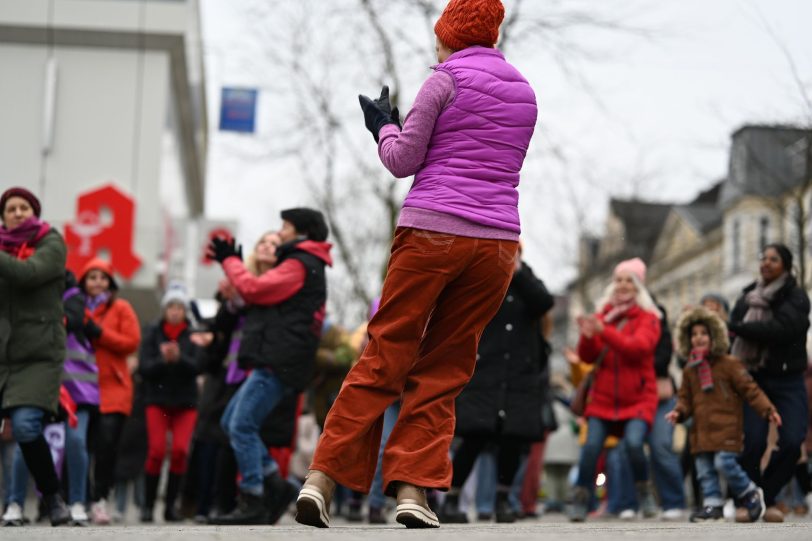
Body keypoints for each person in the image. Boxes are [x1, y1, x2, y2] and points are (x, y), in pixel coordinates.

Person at [296, 0, 537, 529]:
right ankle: (410, 492)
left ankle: (321, 480)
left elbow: (404, 161)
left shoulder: (443, 81)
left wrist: (384, 126)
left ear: (449, 35)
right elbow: (482, 160)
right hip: (496, 245)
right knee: (445, 369)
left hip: (431, 233)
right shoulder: (524, 93)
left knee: (385, 356)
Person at [208, 209, 332, 525]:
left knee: (241, 425)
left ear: (302, 233)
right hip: (276, 359)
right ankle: (277, 485)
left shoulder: (299, 265)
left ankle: (253, 497)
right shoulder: (301, 263)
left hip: (280, 361)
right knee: (229, 421)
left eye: (286, 227)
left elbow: (254, 289)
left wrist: (230, 262)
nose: (281, 232)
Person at [438, 252, 554, 524]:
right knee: (475, 436)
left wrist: (519, 273)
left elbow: (544, 303)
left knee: (512, 438)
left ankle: (503, 500)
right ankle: (452, 500)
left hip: (518, 377)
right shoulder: (484, 278)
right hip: (485, 373)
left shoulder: (528, 281)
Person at [666, 307, 781, 522]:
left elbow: (750, 389)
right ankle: (713, 505)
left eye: (703, 333)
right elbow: (685, 398)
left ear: (714, 336)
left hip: (727, 427)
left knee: (723, 463)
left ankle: (750, 492)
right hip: (702, 430)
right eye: (694, 334)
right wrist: (678, 412)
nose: (698, 338)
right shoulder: (691, 369)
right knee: (704, 470)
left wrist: (768, 410)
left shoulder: (729, 364)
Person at [567, 258, 661, 522]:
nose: (622, 285)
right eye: (619, 279)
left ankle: (644, 491)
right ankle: (581, 499)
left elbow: (638, 349)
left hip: (639, 398)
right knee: (590, 448)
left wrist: (603, 331)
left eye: (629, 280)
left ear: (639, 287)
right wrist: (586, 335)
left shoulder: (649, 318)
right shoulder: (602, 316)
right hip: (604, 399)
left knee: (633, 445)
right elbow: (588, 356)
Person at [0, 187, 71, 525]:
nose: (17, 213)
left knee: (27, 426)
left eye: (23, 207)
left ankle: (53, 497)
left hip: (39, 354)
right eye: (10, 208)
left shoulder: (51, 243)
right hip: (3, 352)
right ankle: (10, 504)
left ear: (35, 212)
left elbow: (27, 275)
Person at [728, 243, 810, 522]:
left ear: (786, 265)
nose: (766, 263)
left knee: (792, 440)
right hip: (756, 378)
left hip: (789, 379)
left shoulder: (796, 297)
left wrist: (740, 328)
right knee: (752, 443)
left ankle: (766, 493)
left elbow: (783, 331)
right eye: (763, 258)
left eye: (773, 259)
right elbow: (732, 329)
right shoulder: (748, 296)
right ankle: (751, 500)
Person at [77, 258, 141, 524]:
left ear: (111, 282)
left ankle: (100, 499)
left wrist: (99, 332)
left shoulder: (121, 307)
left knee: (106, 447)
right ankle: (77, 499)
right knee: (80, 445)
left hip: (113, 389)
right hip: (80, 387)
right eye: (92, 277)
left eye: (103, 277)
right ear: (83, 282)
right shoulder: (75, 307)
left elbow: (131, 342)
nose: (97, 282)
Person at [138, 283, 200, 522]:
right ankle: (148, 505)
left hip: (185, 403)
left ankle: (170, 507)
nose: (175, 311)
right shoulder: (152, 332)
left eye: (179, 307)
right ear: (164, 310)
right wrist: (163, 360)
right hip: (157, 400)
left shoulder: (193, 335)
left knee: (180, 451)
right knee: (155, 451)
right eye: (171, 307)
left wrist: (179, 358)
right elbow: (144, 368)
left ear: (185, 311)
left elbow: (197, 367)